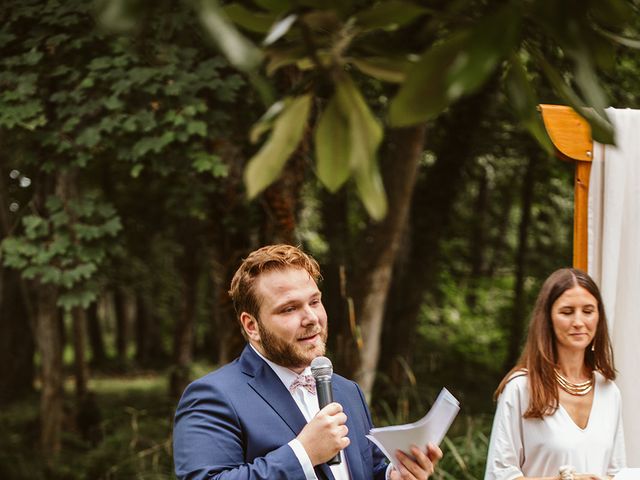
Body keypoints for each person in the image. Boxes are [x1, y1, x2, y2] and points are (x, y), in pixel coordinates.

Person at [173, 244, 442, 480]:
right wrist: (303, 453)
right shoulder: (212, 396)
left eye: (314, 302)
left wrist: (394, 475)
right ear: (251, 325)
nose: (311, 318)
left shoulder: (348, 391)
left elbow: (367, 469)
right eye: (289, 308)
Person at [484, 268, 626, 480]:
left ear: (599, 317)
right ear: (548, 319)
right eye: (567, 312)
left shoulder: (609, 391)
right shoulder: (521, 388)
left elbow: (617, 474)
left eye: (588, 311)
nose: (578, 322)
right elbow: (499, 475)